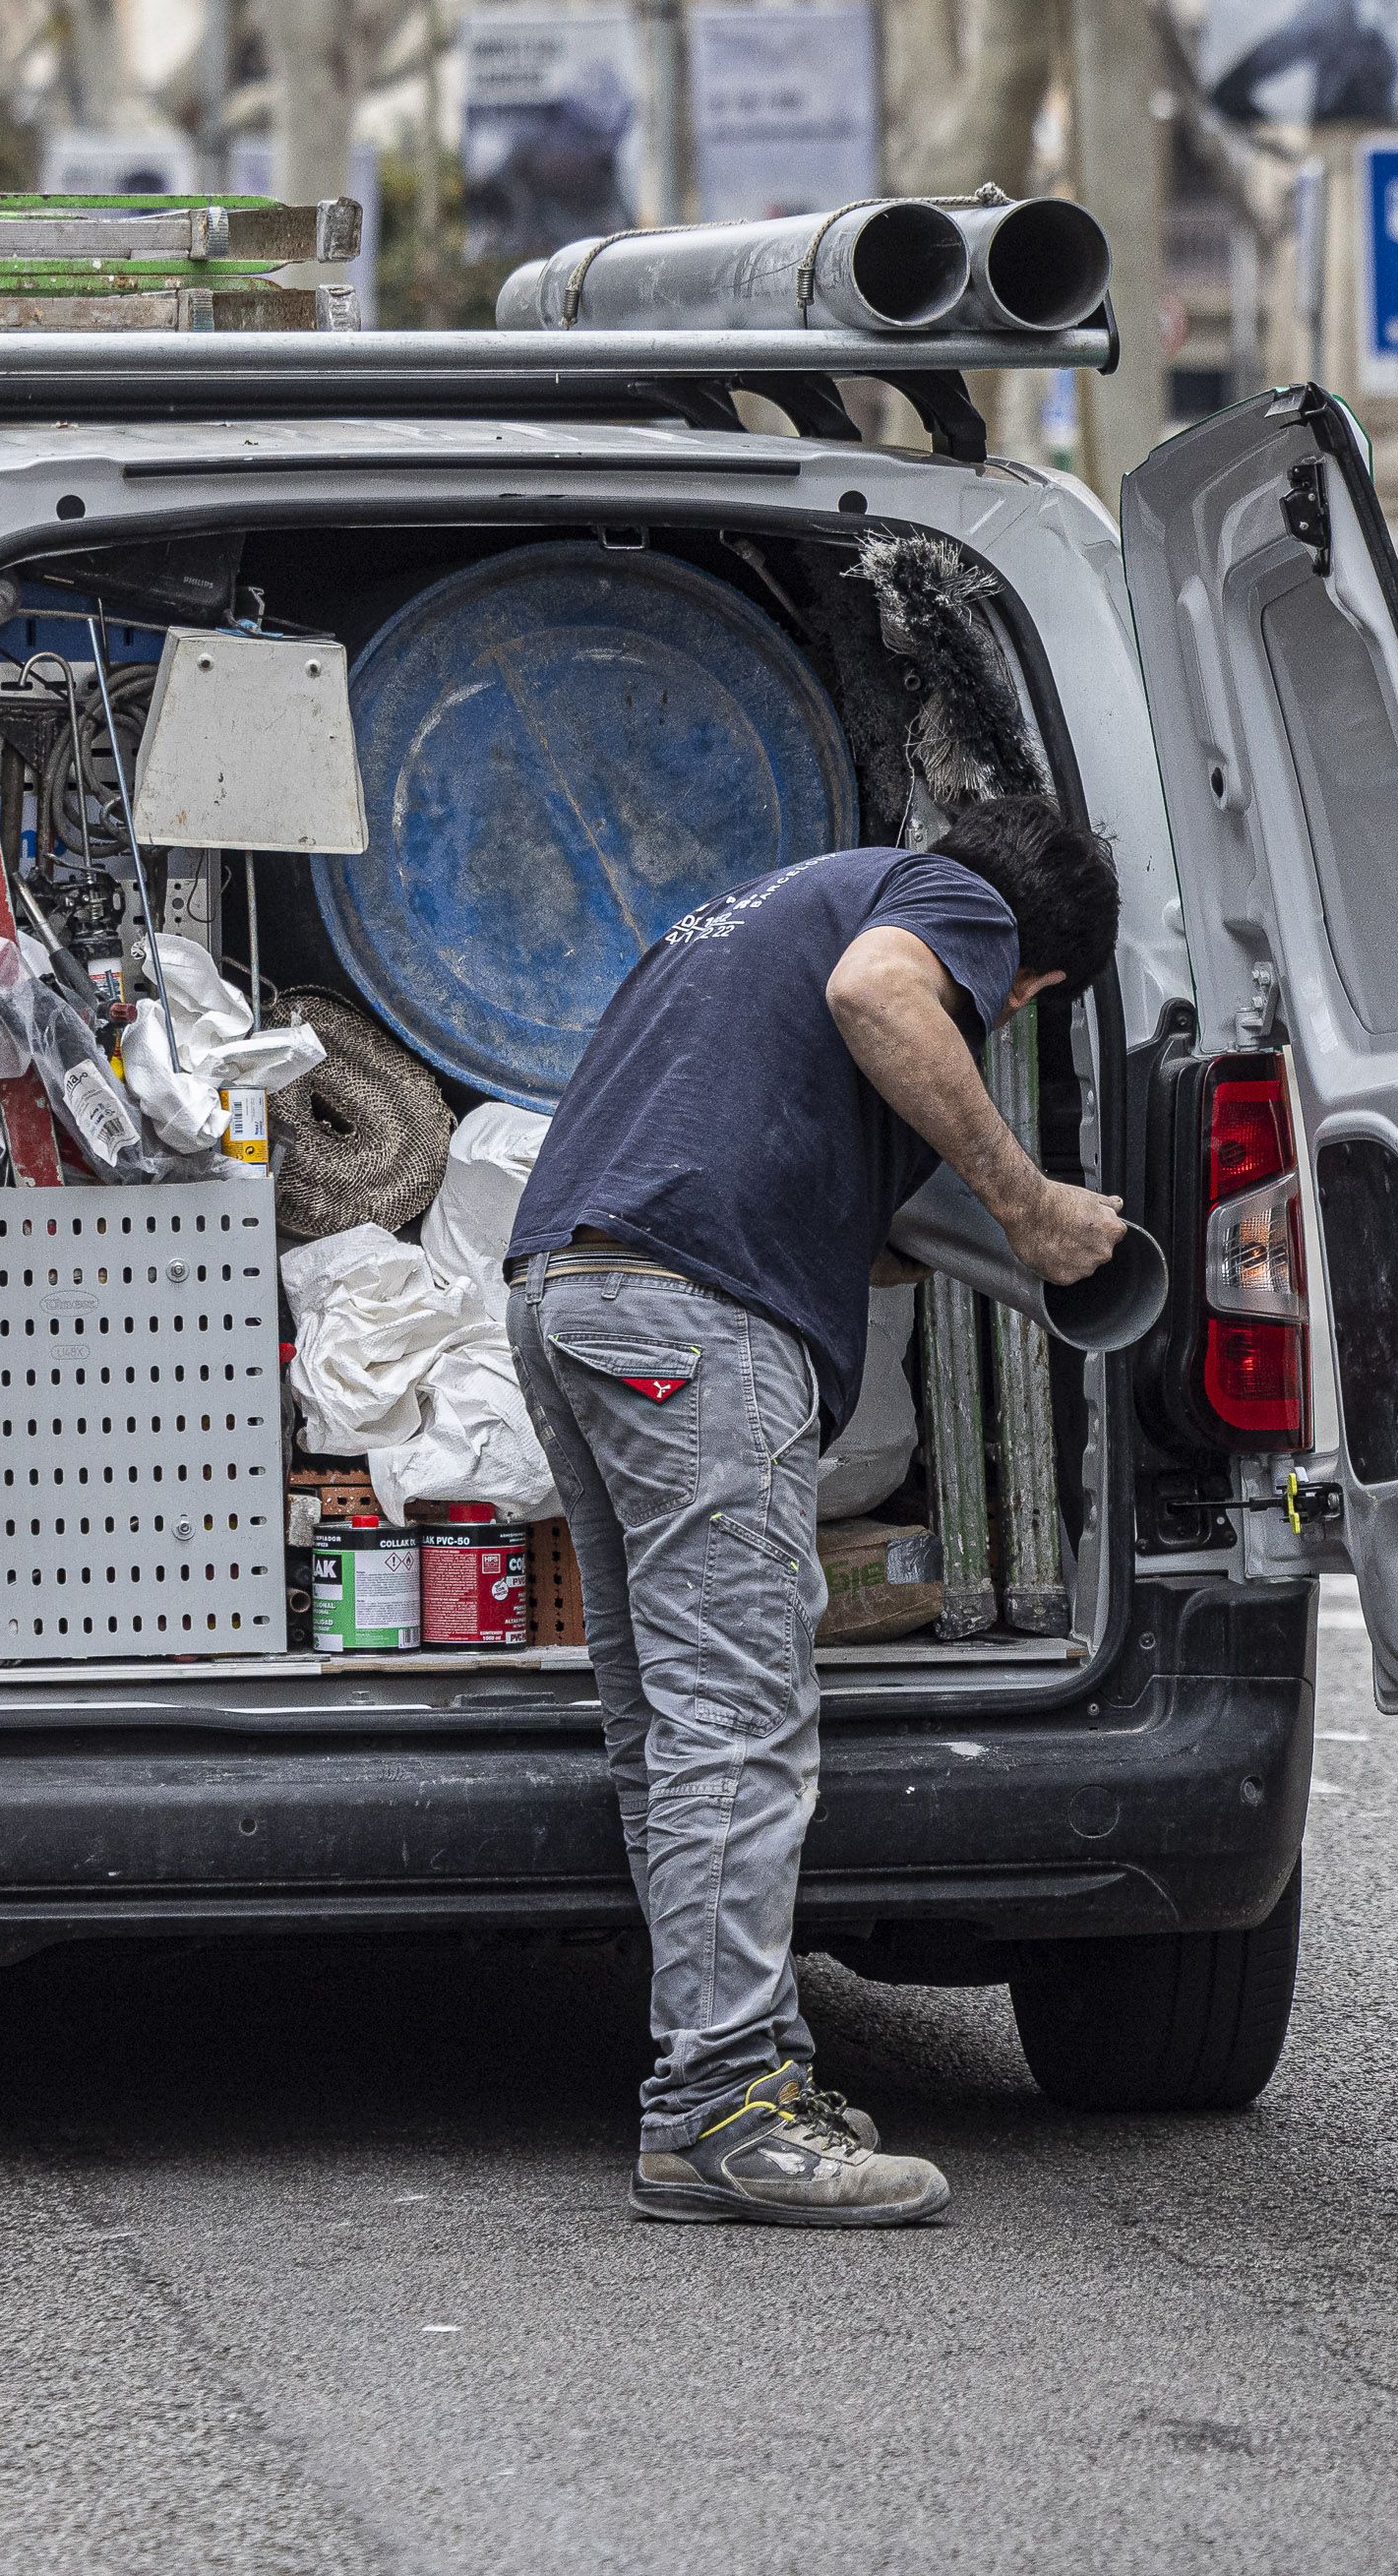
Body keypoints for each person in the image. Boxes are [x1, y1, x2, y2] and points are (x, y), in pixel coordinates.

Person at [505, 798, 1126, 2228]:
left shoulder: (761, 903)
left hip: (570, 1294)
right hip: (682, 1316)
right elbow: (877, 1000)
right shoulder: (943, 906)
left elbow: (785, 1153)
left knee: (668, 1726)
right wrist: (1031, 1205)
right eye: (1015, 1007)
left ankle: (726, 2075)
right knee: (738, 1713)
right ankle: (727, 2107)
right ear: (1028, 978)